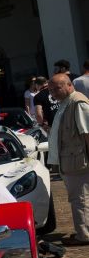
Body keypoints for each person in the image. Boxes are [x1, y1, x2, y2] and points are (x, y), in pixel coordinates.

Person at [46, 73, 89, 246]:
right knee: (79, 197)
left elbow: (87, 134)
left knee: (79, 198)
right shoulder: (66, 103)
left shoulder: (77, 103)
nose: (53, 93)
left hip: (78, 161)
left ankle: (84, 234)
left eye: (57, 88)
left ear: (69, 85)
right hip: (70, 160)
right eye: (51, 90)